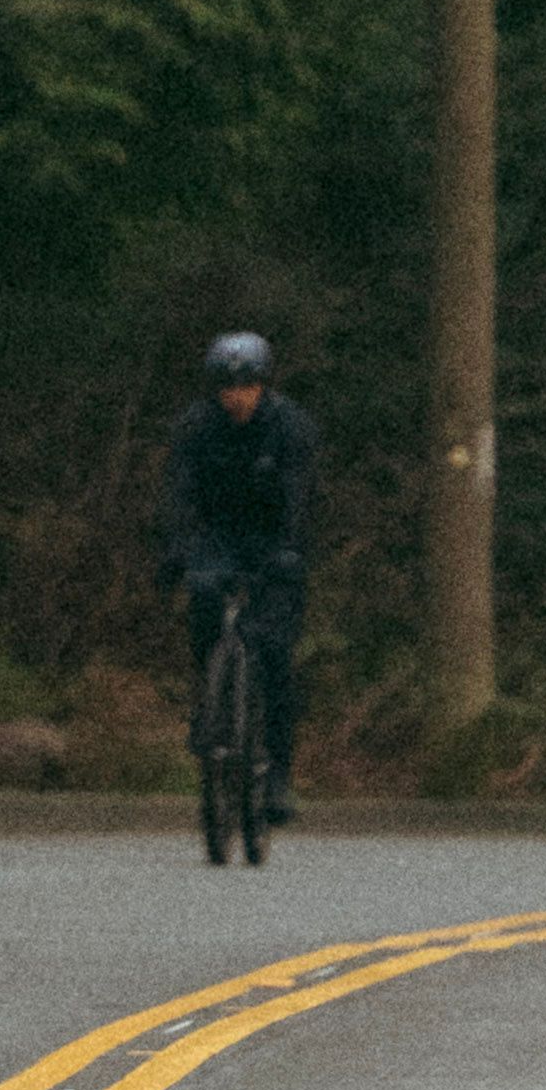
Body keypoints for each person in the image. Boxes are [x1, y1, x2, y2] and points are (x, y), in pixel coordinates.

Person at [156, 329, 319, 827]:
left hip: (275, 544)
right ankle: (210, 701)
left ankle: (277, 774)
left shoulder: (289, 427)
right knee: (204, 599)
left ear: (262, 385)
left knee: (271, 652)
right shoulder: (197, 427)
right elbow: (178, 495)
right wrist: (174, 550)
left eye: (246, 385)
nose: (236, 396)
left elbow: (303, 497)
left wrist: (292, 551)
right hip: (218, 540)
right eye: (226, 386)